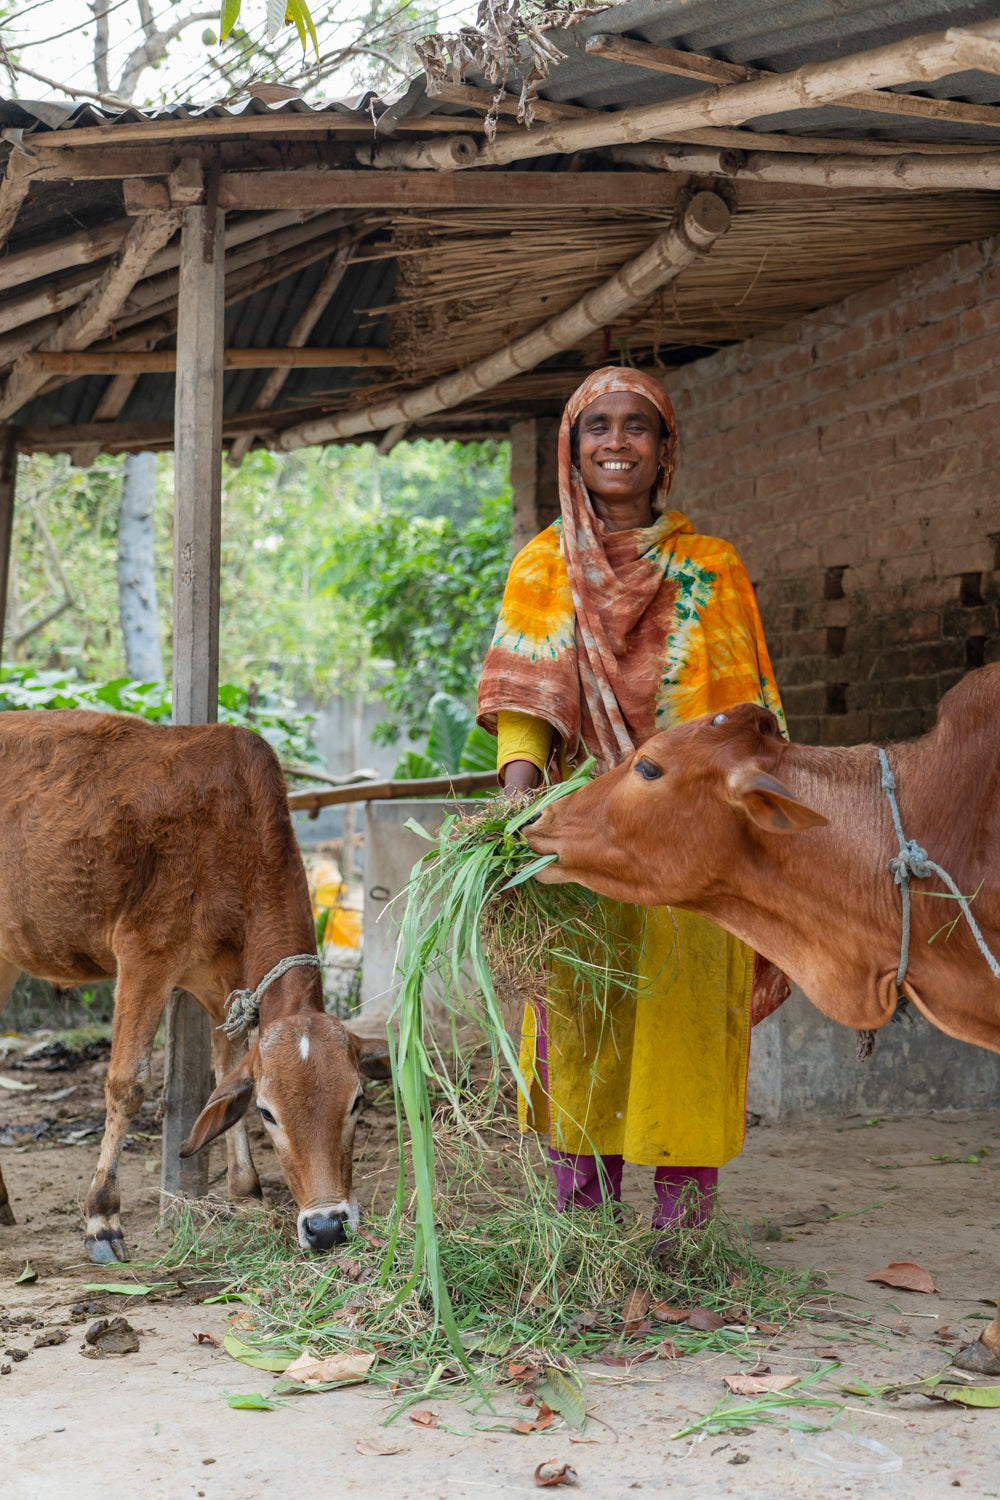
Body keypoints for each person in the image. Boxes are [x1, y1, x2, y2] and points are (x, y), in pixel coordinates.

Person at [477, 365, 788, 1234]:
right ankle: (583, 1227)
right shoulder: (543, 566)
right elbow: (526, 704)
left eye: (637, 426)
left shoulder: (712, 567)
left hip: (696, 842)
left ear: (664, 450)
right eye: (598, 426)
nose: (617, 442)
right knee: (582, 1024)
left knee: (688, 1024)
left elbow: (744, 720)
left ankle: (683, 1233)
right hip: (585, 836)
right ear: (573, 448)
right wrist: (514, 817)